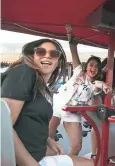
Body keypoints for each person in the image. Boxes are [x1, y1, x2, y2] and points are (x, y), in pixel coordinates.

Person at [1, 38, 93, 166]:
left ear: (58, 60)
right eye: (41, 52)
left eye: (53, 54)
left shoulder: (41, 86)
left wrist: (48, 140)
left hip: (37, 155)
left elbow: (29, 119)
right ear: (32, 55)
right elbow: (3, 126)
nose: (47, 56)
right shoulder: (24, 72)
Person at [49, 35, 111, 157]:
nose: (93, 68)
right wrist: (70, 34)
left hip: (72, 113)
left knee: (76, 146)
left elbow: (98, 85)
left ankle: (66, 163)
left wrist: (103, 86)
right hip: (57, 106)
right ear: (86, 65)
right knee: (46, 139)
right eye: (91, 65)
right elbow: (73, 51)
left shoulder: (94, 84)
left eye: (96, 67)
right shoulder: (78, 71)